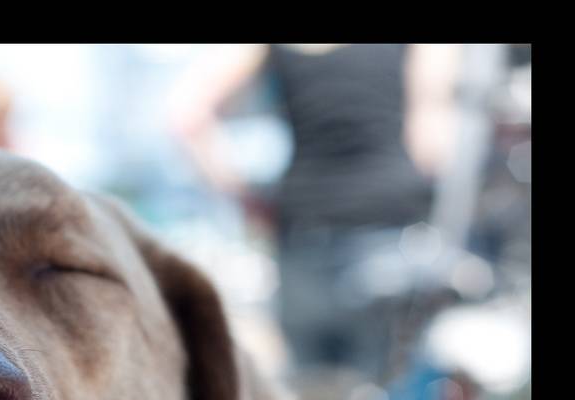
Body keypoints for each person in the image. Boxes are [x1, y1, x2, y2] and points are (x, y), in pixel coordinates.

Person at [170, 44, 462, 382]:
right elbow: (433, 147)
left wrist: (244, 197)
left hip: (301, 234)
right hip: (387, 230)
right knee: (390, 398)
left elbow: (188, 115)